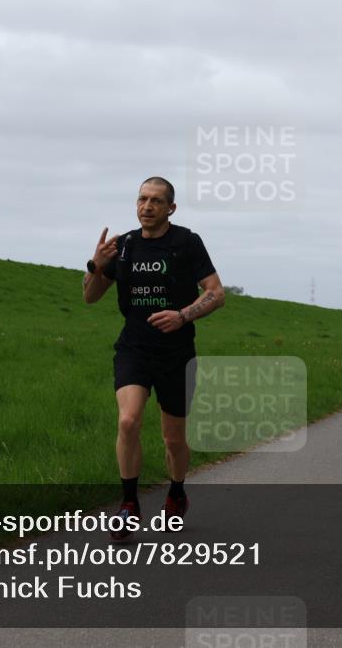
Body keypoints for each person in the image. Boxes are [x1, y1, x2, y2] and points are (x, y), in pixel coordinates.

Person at [83, 176, 225, 540]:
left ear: (170, 208)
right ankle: (129, 504)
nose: (147, 206)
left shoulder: (187, 243)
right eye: (142, 199)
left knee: (173, 439)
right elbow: (90, 297)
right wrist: (96, 266)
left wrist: (182, 316)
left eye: (156, 201)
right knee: (128, 421)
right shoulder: (125, 246)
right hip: (134, 348)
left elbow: (216, 292)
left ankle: (177, 492)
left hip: (176, 353)